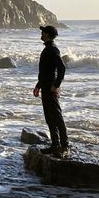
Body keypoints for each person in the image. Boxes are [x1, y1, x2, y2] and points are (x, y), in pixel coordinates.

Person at [33, 25, 69, 158]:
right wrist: (38, 85)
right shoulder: (48, 49)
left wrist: (56, 85)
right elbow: (45, 71)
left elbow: (62, 68)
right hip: (45, 87)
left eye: (43, 32)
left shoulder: (53, 49)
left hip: (51, 88)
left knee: (57, 117)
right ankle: (55, 145)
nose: (41, 34)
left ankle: (65, 146)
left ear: (47, 34)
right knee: (49, 117)